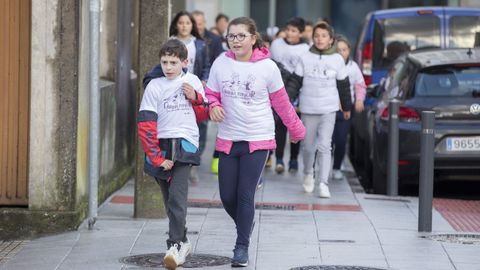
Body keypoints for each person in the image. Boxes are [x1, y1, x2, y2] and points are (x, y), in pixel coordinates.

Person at [205, 17, 305, 267]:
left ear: (253, 38)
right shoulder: (221, 63)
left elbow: (281, 103)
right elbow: (211, 93)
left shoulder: (267, 67)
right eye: (231, 36)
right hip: (228, 137)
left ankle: (241, 247)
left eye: (241, 36)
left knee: (245, 194)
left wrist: (296, 130)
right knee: (228, 196)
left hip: (257, 138)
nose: (235, 40)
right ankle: (245, 223)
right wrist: (213, 106)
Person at [137, 39, 208, 269]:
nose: (168, 67)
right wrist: (157, 157)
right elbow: (146, 123)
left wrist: (196, 98)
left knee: (178, 196)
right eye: (164, 62)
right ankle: (184, 240)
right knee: (169, 200)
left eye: (173, 62)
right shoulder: (154, 86)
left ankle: (175, 245)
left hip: (185, 144)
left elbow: (203, 114)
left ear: (184, 62)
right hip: (160, 145)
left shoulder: (192, 81)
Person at [286, 22, 352, 198]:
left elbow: (344, 85)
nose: (320, 39)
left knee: (324, 146)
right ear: (313, 38)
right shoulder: (305, 56)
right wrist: (285, 103)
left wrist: (346, 106)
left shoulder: (337, 59)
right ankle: (308, 173)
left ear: (331, 39)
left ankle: (323, 183)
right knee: (308, 147)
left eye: (324, 36)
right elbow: (294, 82)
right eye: (317, 36)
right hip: (308, 108)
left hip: (328, 109)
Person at [143, 11, 210, 183]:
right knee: (168, 190)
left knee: (199, 128)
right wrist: (158, 85)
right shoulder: (169, 45)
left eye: (188, 23)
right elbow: (154, 74)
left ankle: (192, 159)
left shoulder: (200, 45)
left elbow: (205, 66)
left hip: (191, 90)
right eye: (181, 22)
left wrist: (200, 85)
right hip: (169, 103)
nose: (184, 26)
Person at [269, 17, 310, 174]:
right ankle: (279, 159)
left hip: (297, 92)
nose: (289, 33)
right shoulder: (276, 44)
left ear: (300, 33)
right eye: (288, 30)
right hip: (278, 90)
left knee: (294, 126)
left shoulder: (306, 49)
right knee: (279, 126)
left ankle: (294, 159)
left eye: (293, 31)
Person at [191, 10, 225, 175]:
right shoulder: (189, 40)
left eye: (200, 22)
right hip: (187, 88)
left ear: (204, 23)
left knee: (202, 123)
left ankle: (196, 156)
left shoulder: (215, 39)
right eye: (194, 22)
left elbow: (218, 62)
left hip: (206, 86)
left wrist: (208, 81)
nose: (198, 26)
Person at [331, 34, 366, 180]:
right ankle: (318, 166)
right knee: (327, 140)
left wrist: (359, 100)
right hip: (329, 107)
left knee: (341, 140)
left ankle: (337, 167)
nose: (341, 52)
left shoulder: (353, 67)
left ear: (349, 51)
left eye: (344, 50)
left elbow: (360, 85)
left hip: (346, 109)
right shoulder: (329, 65)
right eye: (338, 50)